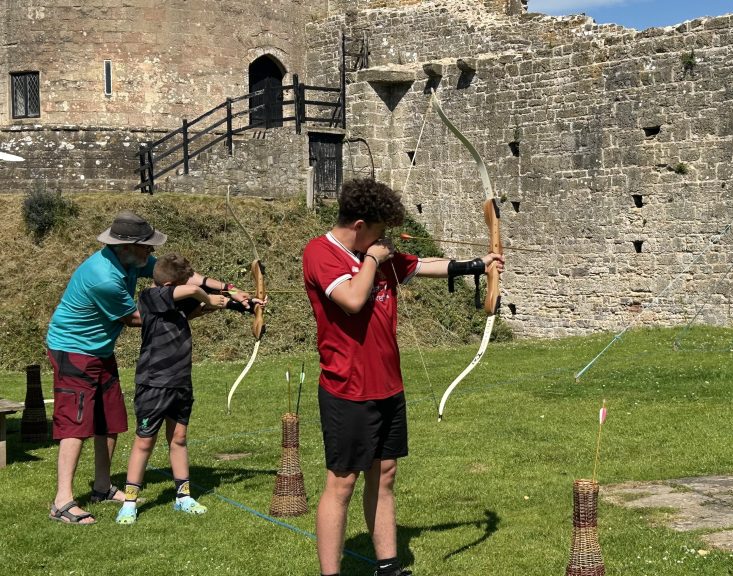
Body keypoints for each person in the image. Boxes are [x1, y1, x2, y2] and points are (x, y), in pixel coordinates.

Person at [302, 178, 503, 576]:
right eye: (380, 233)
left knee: (386, 473)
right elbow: (353, 300)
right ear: (359, 226)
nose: (386, 241)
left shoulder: (375, 253)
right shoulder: (321, 252)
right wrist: (374, 260)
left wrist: (479, 265)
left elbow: (421, 265)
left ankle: (388, 566)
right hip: (347, 387)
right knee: (342, 483)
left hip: (387, 385)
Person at [46, 211, 253, 524]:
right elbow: (143, 319)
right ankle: (62, 501)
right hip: (73, 349)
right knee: (76, 423)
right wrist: (208, 304)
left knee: (109, 420)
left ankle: (102, 487)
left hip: (100, 350)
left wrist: (228, 289)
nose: (151, 253)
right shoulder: (104, 278)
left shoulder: (131, 258)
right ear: (127, 247)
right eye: (147, 247)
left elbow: (184, 280)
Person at [115, 253, 246, 525]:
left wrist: (242, 302)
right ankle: (129, 503)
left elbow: (196, 305)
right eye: (182, 282)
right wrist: (208, 296)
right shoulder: (151, 296)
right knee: (144, 442)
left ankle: (183, 497)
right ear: (169, 285)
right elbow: (196, 290)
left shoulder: (172, 303)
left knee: (179, 439)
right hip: (154, 383)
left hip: (179, 382)